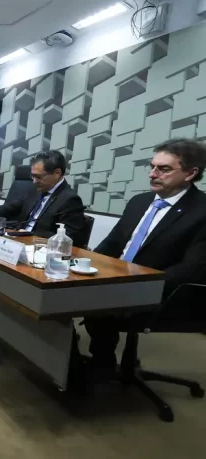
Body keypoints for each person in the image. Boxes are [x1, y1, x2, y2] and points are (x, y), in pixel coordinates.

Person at [83, 139, 206, 374]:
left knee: (91, 303)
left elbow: (193, 269)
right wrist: (85, 264)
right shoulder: (139, 202)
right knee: (65, 291)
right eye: (151, 167)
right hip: (119, 280)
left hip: (165, 292)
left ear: (190, 173)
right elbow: (113, 243)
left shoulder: (201, 210)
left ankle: (102, 364)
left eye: (164, 169)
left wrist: (138, 284)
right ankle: (82, 359)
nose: (153, 174)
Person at [0, 150, 88, 338]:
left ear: (57, 173)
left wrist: (28, 234)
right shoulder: (35, 190)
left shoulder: (69, 199)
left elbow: (70, 237)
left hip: (41, 258)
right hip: (18, 245)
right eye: (32, 176)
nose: (34, 181)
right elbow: (10, 207)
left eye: (39, 176)